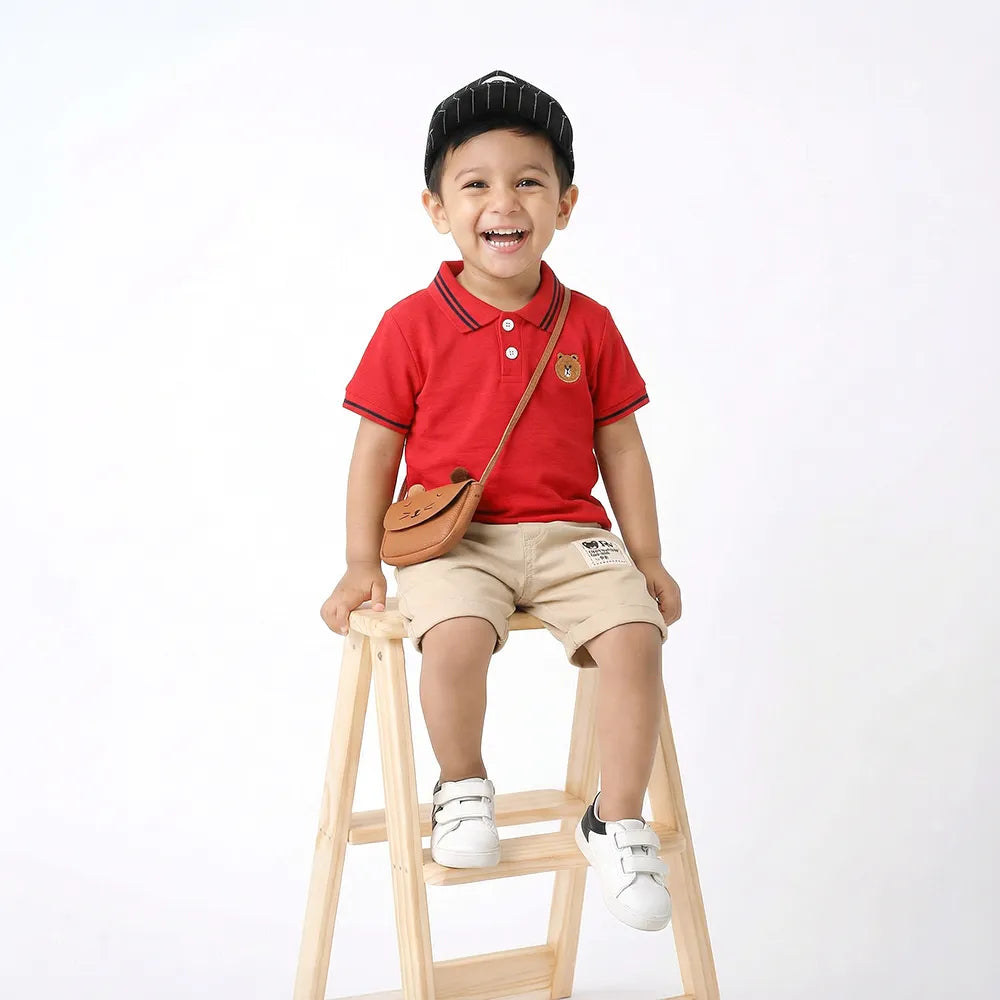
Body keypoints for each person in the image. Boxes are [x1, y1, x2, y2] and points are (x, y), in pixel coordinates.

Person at [320, 70, 682, 932]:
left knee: (636, 638)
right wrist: (360, 564)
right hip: (458, 542)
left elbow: (621, 446)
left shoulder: (587, 322)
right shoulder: (411, 322)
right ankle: (462, 785)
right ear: (437, 207)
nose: (503, 202)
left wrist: (650, 555)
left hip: (570, 534)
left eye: (529, 181)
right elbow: (376, 449)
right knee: (449, 638)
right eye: (474, 183)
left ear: (565, 202)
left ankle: (617, 818)